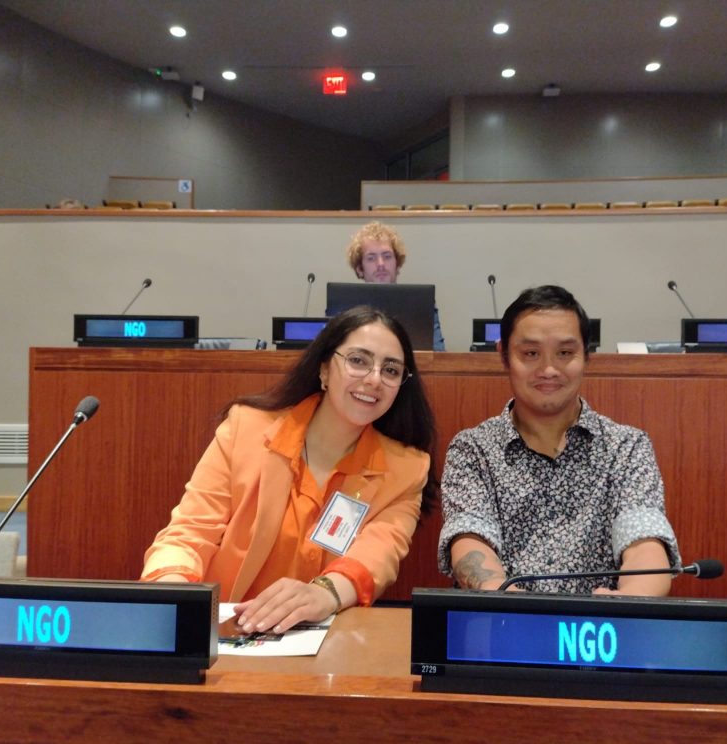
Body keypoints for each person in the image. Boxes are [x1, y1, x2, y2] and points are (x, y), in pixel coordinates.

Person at [142, 306, 437, 633]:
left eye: (391, 370)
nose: (374, 379)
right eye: (358, 360)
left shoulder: (406, 470)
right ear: (324, 368)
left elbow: (378, 555)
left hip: (320, 646)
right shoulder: (246, 428)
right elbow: (189, 533)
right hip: (219, 634)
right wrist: (173, 592)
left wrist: (322, 594)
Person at [437, 285, 680, 596]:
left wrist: (631, 598)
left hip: (600, 633)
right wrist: (498, 593)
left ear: (586, 355)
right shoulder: (473, 449)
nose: (549, 369)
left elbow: (644, 540)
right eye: (531, 354)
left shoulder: (626, 448)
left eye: (565, 353)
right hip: (503, 625)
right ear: (503, 356)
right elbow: (470, 540)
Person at [345, 221, 447, 351]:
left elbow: (438, 355)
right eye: (371, 258)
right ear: (360, 268)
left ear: (397, 264)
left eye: (387, 256)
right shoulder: (344, 304)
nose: (381, 264)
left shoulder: (421, 303)